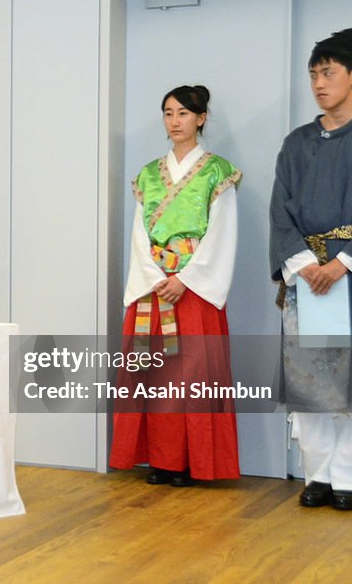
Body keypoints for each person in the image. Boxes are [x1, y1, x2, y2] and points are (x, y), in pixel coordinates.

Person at [269, 27, 352, 511]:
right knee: (313, 378)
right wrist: (307, 265)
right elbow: (280, 209)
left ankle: (351, 477)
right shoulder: (297, 143)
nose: (319, 83)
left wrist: (342, 264)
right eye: (313, 74)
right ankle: (319, 474)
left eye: (328, 73)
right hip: (310, 278)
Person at [109, 85, 242, 486]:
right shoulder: (149, 175)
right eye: (168, 113)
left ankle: (190, 461)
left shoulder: (217, 171)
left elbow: (223, 232)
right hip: (155, 288)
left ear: (201, 118)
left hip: (193, 290)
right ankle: (159, 458)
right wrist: (155, 276)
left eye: (183, 113)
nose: (175, 121)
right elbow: (138, 233)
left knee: (191, 377)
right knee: (154, 375)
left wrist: (186, 278)